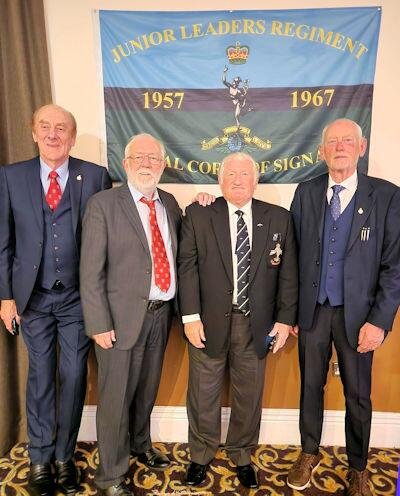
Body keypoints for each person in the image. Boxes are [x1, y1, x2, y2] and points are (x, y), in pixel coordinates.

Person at [80, 133, 213, 496]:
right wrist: (98, 323)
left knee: (146, 389)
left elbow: (183, 247)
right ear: (125, 164)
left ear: (163, 165)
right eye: (138, 157)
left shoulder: (169, 202)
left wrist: (202, 203)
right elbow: (89, 271)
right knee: (115, 399)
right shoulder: (103, 204)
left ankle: (140, 444)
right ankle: (110, 475)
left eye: (153, 158)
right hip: (117, 321)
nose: (146, 163)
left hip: (160, 315)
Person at [0, 104, 112, 496]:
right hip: (32, 299)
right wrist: (6, 296)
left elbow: (107, 238)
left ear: (72, 137)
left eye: (61, 128)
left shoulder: (95, 176)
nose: (53, 134)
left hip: (77, 300)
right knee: (41, 377)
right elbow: (3, 242)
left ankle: (65, 457)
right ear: (33, 133)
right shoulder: (11, 177)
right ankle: (39, 459)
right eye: (45, 127)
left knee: (75, 375)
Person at [287, 118, 400, 496]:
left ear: (361, 147)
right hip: (313, 312)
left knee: (358, 395)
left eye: (347, 141)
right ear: (322, 151)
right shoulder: (305, 192)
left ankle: (358, 466)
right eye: (332, 142)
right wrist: (291, 312)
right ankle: (308, 452)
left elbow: (395, 267)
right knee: (310, 387)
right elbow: (292, 257)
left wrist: (379, 322)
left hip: (360, 317)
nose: (340, 147)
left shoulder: (387, 196)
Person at [178, 152, 298, 489]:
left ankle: (242, 454)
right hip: (207, 322)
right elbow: (186, 268)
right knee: (202, 393)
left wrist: (285, 319)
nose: (238, 179)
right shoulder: (199, 214)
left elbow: (288, 273)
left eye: (245, 174)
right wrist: (190, 316)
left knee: (249, 393)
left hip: (256, 324)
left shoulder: (279, 218)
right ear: (219, 180)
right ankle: (200, 454)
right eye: (230, 173)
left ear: (256, 180)